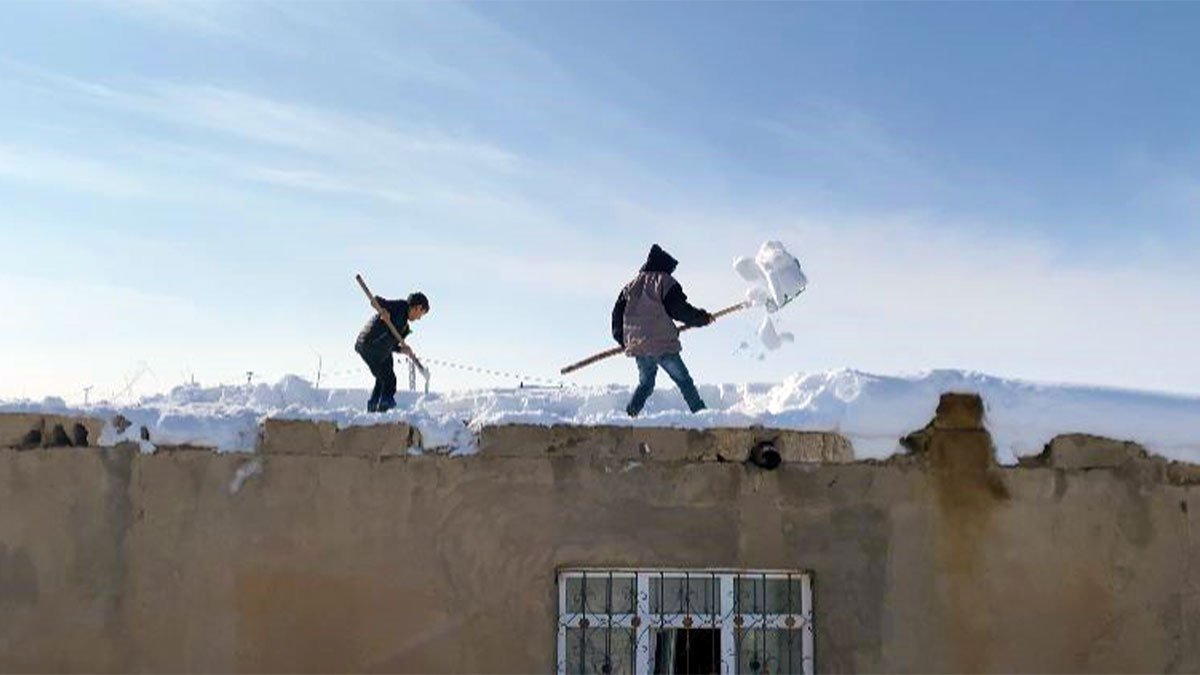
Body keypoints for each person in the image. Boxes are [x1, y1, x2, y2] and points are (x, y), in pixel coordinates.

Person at [612, 245, 713, 417]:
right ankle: (701, 414)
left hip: (639, 347)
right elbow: (679, 310)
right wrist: (702, 318)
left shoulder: (630, 287)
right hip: (663, 344)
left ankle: (630, 415)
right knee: (683, 381)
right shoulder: (664, 282)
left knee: (645, 384)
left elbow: (616, 317)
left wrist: (624, 341)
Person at [355, 292, 430, 413]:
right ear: (418, 307)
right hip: (370, 342)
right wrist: (383, 311)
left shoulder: (404, 328)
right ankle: (384, 405)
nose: (419, 318)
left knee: (383, 378)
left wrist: (402, 349)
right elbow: (375, 300)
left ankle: (373, 406)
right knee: (389, 380)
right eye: (421, 314)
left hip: (376, 347)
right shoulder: (400, 307)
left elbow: (392, 345)